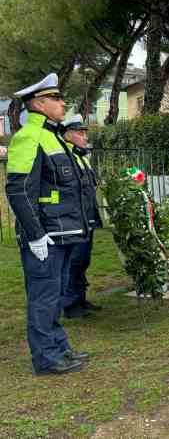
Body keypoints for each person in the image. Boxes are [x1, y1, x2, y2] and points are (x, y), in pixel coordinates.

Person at [5, 74, 90, 375]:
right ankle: (46, 358)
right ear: (39, 104)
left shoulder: (54, 136)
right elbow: (18, 190)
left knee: (53, 297)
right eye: (56, 99)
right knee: (43, 298)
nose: (62, 103)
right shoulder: (29, 136)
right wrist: (35, 235)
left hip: (62, 232)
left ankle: (59, 349)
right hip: (45, 235)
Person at [60, 115, 103, 318]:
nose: (84, 136)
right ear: (67, 135)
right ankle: (70, 305)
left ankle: (80, 298)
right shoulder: (65, 155)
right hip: (75, 219)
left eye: (85, 132)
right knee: (74, 261)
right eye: (80, 132)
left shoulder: (81, 156)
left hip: (87, 217)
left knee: (83, 260)